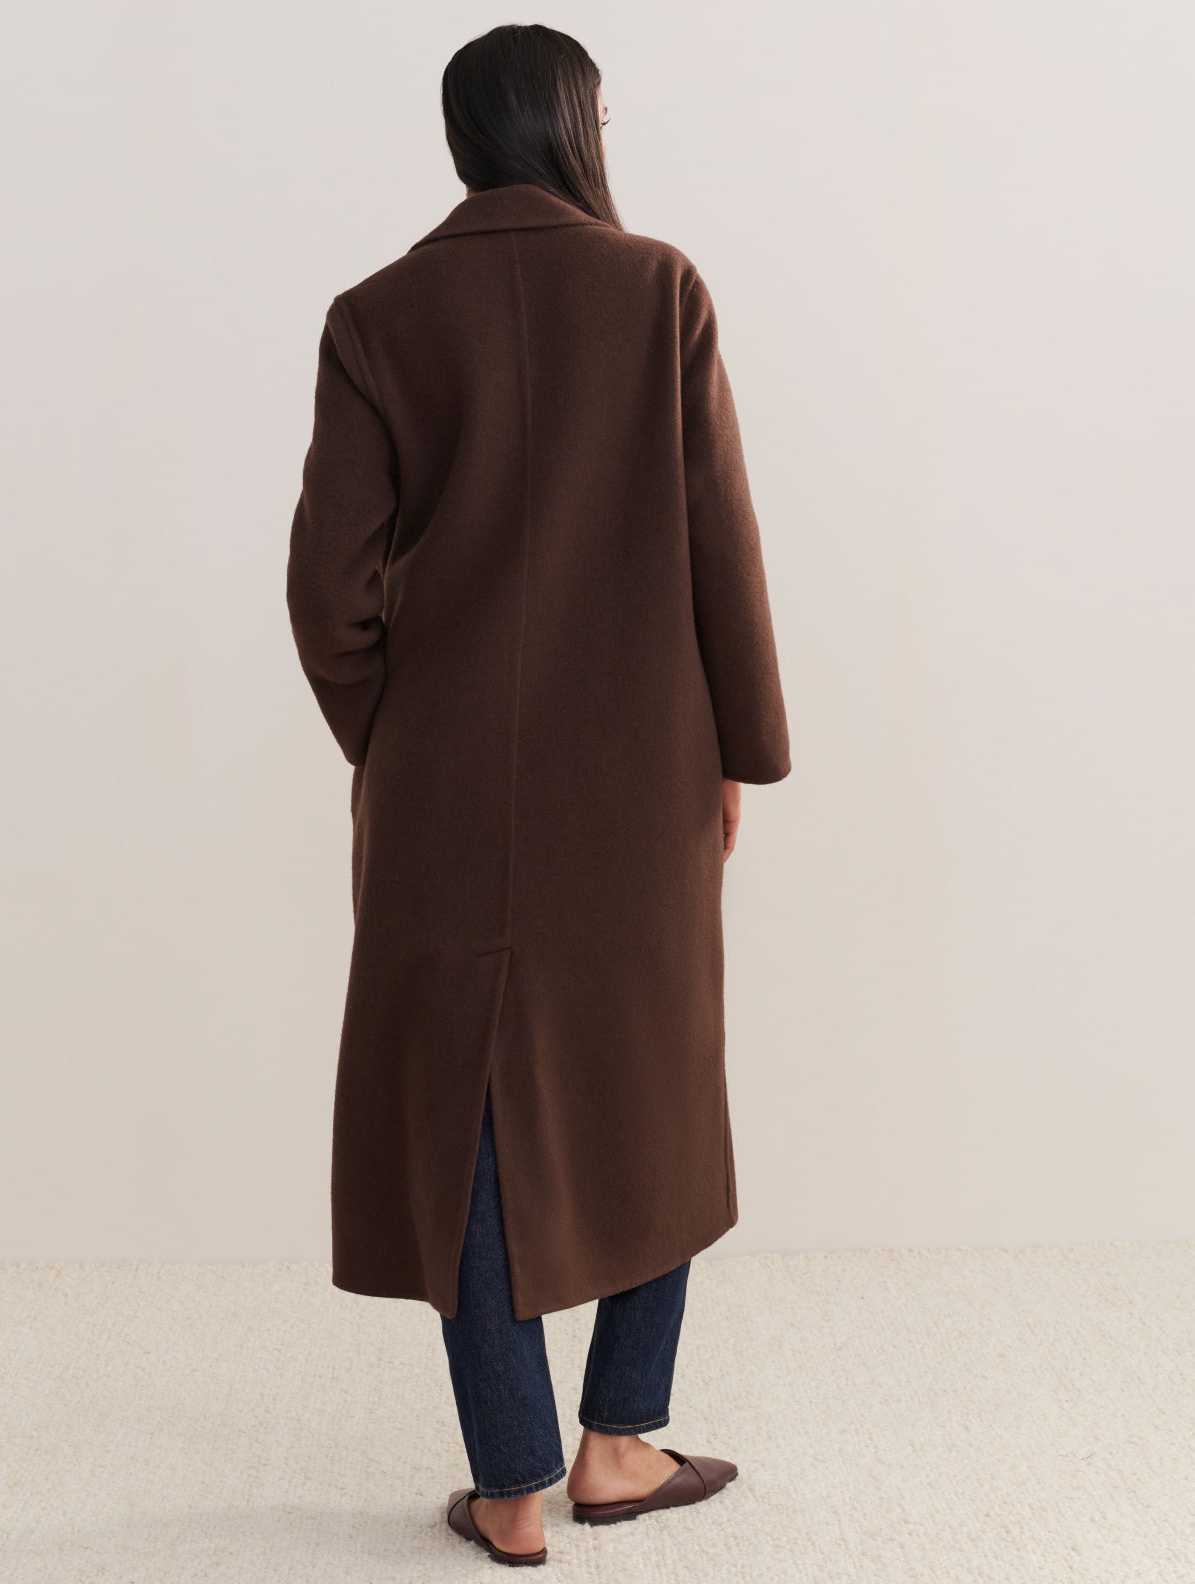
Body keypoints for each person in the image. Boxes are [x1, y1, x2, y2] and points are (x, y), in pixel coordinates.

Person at [286, 22, 791, 1568]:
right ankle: (618, 1441)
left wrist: (397, 735)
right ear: (577, 128)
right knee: (656, 1088)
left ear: (462, 141)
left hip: (441, 791)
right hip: (639, 779)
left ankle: (511, 1485)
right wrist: (738, 749)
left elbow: (325, 595)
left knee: (464, 1112)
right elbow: (720, 542)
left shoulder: (375, 318)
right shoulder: (659, 291)